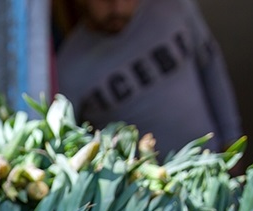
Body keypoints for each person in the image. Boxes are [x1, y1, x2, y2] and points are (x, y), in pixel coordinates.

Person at [53, 0, 242, 156]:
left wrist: (231, 140)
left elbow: (210, 66)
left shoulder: (172, 7)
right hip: (144, 196)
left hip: (213, 163)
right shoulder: (68, 70)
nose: (118, 8)